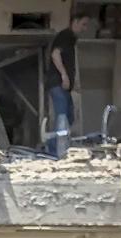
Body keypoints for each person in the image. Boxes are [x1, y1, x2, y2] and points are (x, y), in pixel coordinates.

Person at [46, 11, 90, 158]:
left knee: (68, 117)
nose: (85, 28)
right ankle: (55, 152)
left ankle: (54, 147)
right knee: (63, 118)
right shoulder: (65, 36)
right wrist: (64, 76)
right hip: (57, 83)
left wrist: (72, 82)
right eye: (83, 24)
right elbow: (55, 54)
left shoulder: (70, 38)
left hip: (63, 85)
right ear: (74, 22)